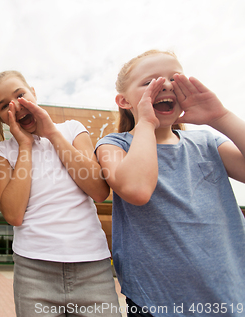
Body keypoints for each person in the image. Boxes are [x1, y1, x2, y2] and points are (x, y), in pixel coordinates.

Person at [95, 50, 245, 316]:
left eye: (174, 79)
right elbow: (137, 189)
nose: (165, 85)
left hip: (231, 294)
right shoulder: (114, 145)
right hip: (156, 301)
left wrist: (221, 117)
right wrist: (146, 124)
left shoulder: (207, 142)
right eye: (149, 82)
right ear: (124, 101)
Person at [0, 70, 120, 317]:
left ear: (34, 92)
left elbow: (99, 190)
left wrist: (52, 134)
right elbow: (13, 215)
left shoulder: (72, 129)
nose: (17, 106)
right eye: (4, 106)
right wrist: (25, 145)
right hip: (33, 271)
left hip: (92, 267)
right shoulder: (3, 151)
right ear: (0, 116)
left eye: (20, 94)